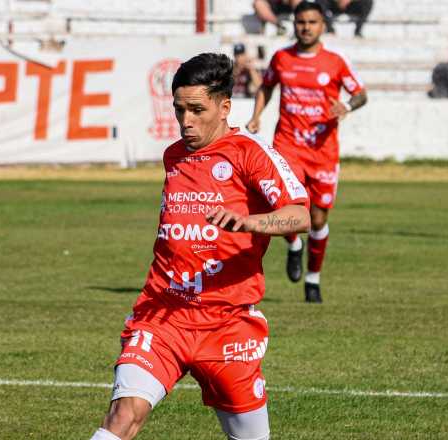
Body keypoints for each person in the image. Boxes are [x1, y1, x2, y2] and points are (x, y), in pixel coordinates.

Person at [88, 52, 310, 440]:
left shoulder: (250, 152)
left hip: (227, 323)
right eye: (179, 109)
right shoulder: (173, 156)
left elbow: (300, 216)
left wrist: (251, 222)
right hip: (163, 314)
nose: (186, 121)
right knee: (124, 415)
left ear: (224, 108)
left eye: (197, 110)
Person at [246, 1, 367, 303]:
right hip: (288, 145)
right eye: (301, 22)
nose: (306, 27)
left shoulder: (335, 62)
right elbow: (267, 86)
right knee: (284, 204)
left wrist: (346, 106)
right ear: (295, 24)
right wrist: (257, 115)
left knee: (318, 219)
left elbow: (360, 94)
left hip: (323, 150)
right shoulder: (282, 57)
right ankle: (293, 244)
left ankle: (313, 278)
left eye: (312, 22)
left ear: (322, 25)